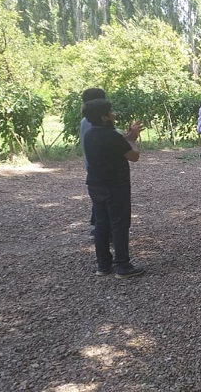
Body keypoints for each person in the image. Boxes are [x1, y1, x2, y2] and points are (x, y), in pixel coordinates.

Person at [82, 98, 145, 279]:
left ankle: (103, 265)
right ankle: (123, 266)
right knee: (119, 224)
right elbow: (134, 156)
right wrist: (132, 140)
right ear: (104, 117)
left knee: (102, 224)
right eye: (110, 112)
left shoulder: (90, 133)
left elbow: (114, 146)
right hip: (116, 186)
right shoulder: (111, 136)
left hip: (95, 184)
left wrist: (126, 138)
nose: (113, 114)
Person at [79, 88, 106, 233]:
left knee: (99, 197)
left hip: (92, 165)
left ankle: (98, 225)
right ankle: (101, 229)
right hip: (99, 166)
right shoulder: (94, 123)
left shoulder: (86, 121)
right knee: (104, 198)